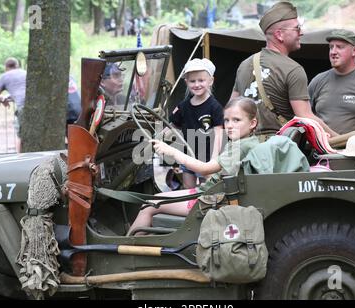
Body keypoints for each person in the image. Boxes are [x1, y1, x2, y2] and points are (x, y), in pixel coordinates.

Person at [127, 97, 259, 235]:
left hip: (208, 199)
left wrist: (172, 151)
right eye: (226, 120)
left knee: (148, 205)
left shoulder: (241, 146)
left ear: (252, 123)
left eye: (236, 120)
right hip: (212, 194)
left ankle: (124, 250)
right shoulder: (246, 142)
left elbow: (205, 168)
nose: (230, 125)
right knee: (153, 201)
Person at [231, 1, 338, 138]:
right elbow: (305, 116)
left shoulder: (244, 65)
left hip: (244, 148)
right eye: (297, 28)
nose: (302, 33)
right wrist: (339, 139)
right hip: (278, 151)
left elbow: (232, 108)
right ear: (279, 34)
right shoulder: (293, 69)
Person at [169, 58, 224, 189]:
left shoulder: (214, 107)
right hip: (188, 156)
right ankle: (189, 208)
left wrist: (214, 159)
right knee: (189, 189)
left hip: (207, 158)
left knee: (207, 190)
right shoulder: (183, 106)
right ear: (186, 82)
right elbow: (172, 126)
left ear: (211, 81)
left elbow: (219, 133)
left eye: (201, 80)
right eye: (192, 81)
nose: (197, 84)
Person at [0, 57, 26, 153]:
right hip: (35, 106)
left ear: (6, 67)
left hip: (23, 107)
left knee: (21, 136)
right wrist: (9, 96)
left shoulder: (5, 76)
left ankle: (20, 160)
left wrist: (1, 98)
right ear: (17, 65)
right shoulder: (25, 73)